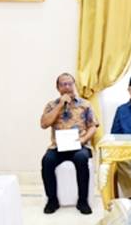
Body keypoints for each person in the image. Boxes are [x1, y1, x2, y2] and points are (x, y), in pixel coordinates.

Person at [39, 72, 97, 215]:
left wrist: (83, 139)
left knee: (81, 158)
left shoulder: (85, 104)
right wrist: (60, 105)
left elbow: (93, 126)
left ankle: (82, 201)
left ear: (74, 85)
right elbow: (44, 124)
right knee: (47, 161)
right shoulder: (51, 105)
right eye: (63, 84)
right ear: (58, 88)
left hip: (79, 145)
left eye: (69, 84)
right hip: (58, 147)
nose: (67, 87)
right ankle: (52, 200)